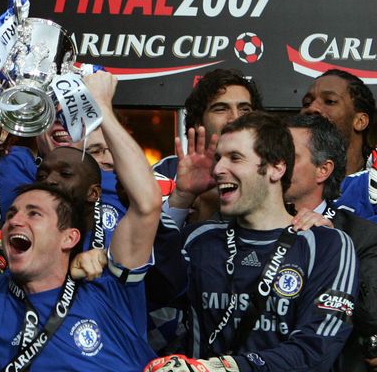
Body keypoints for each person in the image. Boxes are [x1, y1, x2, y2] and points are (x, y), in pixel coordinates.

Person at [0, 70, 161, 370]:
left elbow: (147, 204)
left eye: (34, 214)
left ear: (68, 237)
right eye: (11, 214)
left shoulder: (106, 286)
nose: (16, 221)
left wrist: (102, 108)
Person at [147, 111, 358, 371]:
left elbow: (314, 352)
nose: (218, 169)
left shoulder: (327, 245)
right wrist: (181, 196)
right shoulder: (198, 239)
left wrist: (225, 368)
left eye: (235, 158)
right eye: (218, 159)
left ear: (276, 167)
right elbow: (150, 300)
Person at [285, 113, 377, 372]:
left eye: (289, 154)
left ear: (323, 170)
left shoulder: (361, 235)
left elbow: (373, 316)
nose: (276, 162)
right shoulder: (239, 226)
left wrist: (333, 248)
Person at [154, 69, 263, 225]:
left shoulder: (270, 171)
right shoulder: (167, 171)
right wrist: (182, 197)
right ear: (199, 122)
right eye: (221, 109)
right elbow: (148, 244)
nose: (235, 118)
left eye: (245, 109)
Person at [300, 69, 374, 176]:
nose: (311, 108)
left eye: (329, 101)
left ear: (360, 121)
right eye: (306, 103)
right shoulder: (283, 179)